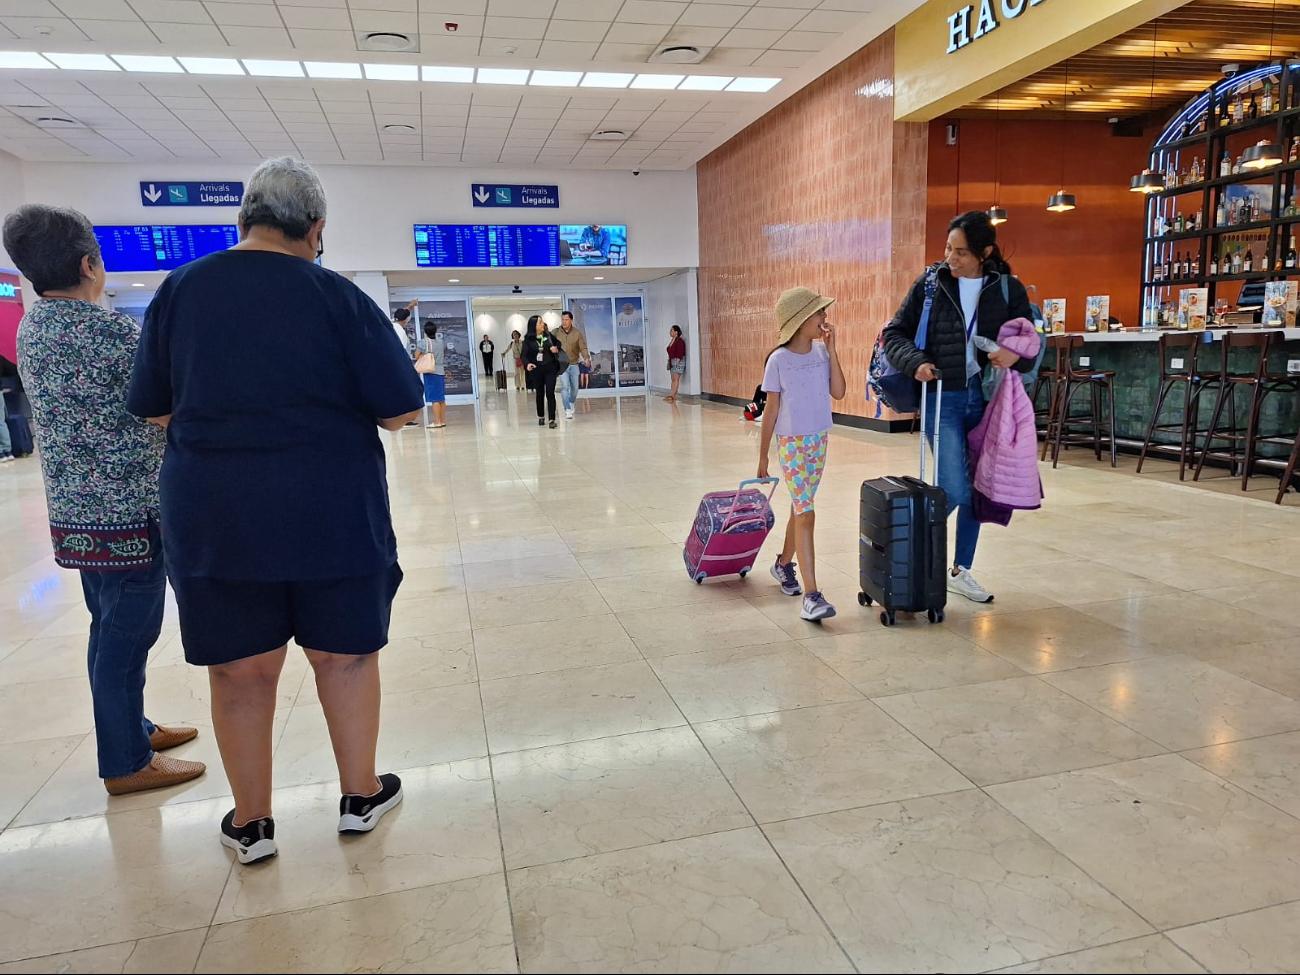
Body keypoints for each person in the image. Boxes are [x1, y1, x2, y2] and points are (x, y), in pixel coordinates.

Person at [126, 158, 424, 865]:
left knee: (240, 669)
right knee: (344, 658)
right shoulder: (336, 296)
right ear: (315, 229)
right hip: (332, 509)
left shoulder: (181, 290)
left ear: (243, 222)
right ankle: (360, 796)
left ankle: (252, 823)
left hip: (216, 514)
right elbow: (403, 409)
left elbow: (156, 407)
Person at [2, 203, 206, 795]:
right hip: (128, 511)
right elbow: (167, 404)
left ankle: (132, 727)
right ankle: (126, 759)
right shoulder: (111, 332)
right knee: (127, 633)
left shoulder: (32, 327)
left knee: (107, 624)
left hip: (75, 514)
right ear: (90, 263)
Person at [882, 210, 1034, 604]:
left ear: (985, 252)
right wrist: (915, 362)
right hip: (942, 397)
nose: (951, 258)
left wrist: (1013, 355)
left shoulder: (1007, 289)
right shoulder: (932, 282)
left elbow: (1031, 341)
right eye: (948, 248)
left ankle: (959, 570)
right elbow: (894, 333)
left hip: (988, 398)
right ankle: (907, 549)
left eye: (962, 252)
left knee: (979, 488)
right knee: (954, 487)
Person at [757, 287, 846, 622]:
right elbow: (770, 410)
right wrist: (764, 456)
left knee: (801, 506)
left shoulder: (822, 354)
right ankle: (811, 595)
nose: (825, 318)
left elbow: (838, 392)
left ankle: (782, 565)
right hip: (792, 443)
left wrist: (833, 350)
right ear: (799, 321)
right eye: (819, 313)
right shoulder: (778, 360)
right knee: (806, 511)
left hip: (818, 439)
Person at [522, 313, 562, 428]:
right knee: (540, 393)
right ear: (534, 326)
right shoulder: (528, 340)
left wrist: (556, 348)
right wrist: (527, 364)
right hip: (537, 370)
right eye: (540, 322)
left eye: (542, 322)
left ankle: (552, 419)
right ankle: (541, 416)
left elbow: (558, 343)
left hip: (550, 368)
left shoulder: (548, 335)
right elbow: (523, 355)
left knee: (550, 393)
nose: (542, 324)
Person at [554, 310, 589, 420]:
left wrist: (586, 357)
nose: (564, 322)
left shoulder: (577, 333)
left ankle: (571, 401)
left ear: (571, 320)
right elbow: (549, 344)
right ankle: (567, 409)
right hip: (562, 364)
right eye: (562, 319)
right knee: (564, 387)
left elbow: (582, 347)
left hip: (574, 364)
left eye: (566, 319)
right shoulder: (555, 332)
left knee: (575, 388)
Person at [420, 319, 446, 429]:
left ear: (425, 331)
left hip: (431, 372)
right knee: (441, 398)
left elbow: (417, 355)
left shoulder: (423, 342)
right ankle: (442, 420)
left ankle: (437, 421)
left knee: (434, 398)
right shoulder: (440, 342)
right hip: (440, 371)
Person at [665, 325, 686, 402]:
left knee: (676, 378)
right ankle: (672, 394)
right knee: (673, 379)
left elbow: (680, 352)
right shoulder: (673, 340)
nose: (670, 332)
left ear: (676, 332)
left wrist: (678, 361)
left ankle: (672, 395)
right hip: (672, 361)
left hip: (678, 361)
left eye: (671, 330)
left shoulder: (679, 341)